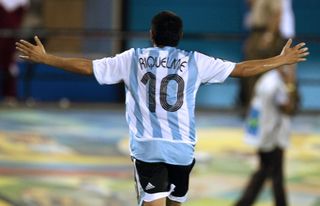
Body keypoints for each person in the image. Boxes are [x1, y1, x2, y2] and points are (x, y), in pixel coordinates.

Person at [15, 11, 308, 206]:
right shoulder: (195, 61)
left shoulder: (134, 58)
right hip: (182, 149)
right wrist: (281, 59)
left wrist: (47, 58)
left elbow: (87, 67)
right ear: (178, 37)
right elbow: (243, 70)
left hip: (148, 147)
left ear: (152, 34)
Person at [235, 64, 297, 206]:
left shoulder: (266, 79)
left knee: (266, 172)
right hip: (272, 137)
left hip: (263, 133)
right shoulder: (276, 85)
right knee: (273, 175)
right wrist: (291, 85)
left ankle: (244, 202)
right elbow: (288, 108)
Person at [239, 0, 296, 113]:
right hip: (256, 33)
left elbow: (277, 13)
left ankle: (285, 107)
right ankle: (254, 109)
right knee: (251, 73)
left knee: (270, 72)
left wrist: (269, 35)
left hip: (265, 33)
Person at [0, 0, 29, 104]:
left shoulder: (21, 3)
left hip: (11, 39)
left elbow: (19, 21)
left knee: (11, 67)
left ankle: (10, 96)